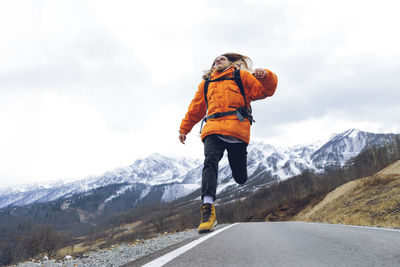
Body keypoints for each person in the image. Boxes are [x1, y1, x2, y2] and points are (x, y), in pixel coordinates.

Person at [178, 53, 278, 233]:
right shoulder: (206, 84)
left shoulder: (241, 76)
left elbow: (266, 91)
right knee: (210, 162)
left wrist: (266, 76)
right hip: (213, 129)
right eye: (215, 59)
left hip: (237, 131)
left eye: (222, 58)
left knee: (240, 178)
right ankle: (207, 210)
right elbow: (196, 108)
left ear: (231, 62)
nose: (218, 59)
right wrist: (184, 129)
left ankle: (238, 172)